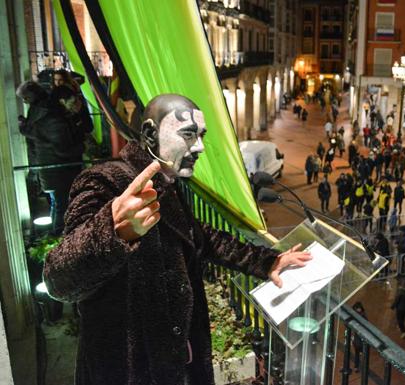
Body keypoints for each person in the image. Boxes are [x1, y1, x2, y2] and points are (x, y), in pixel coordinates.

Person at [43, 94, 312, 385]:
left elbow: (201, 238)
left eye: (201, 136)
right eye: (188, 135)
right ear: (149, 133)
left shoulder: (167, 183)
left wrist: (269, 261)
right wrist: (111, 229)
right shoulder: (104, 181)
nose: (199, 147)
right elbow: (58, 278)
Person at [16, 80, 84, 235]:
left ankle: (57, 236)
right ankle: (59, 237)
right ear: (62, 101)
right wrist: (81, 146)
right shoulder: (53, 119)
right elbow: (63, 150)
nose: (75, 104)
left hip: (51, 169)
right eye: (72, 101)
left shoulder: (43, 113)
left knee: (57, 204)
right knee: (61, 205)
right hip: (57, 170)